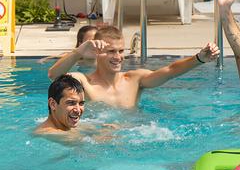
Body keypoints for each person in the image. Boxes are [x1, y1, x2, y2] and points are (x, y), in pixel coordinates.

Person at [47, 25, 219, 109]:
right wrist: (79, 52)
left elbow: (170, 71)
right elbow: (54, 76)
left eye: (121, 51)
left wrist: (199, 59)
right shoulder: (85, 83)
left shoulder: (135, 80)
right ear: (98, 53)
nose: (118, 57)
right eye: (111, 51)